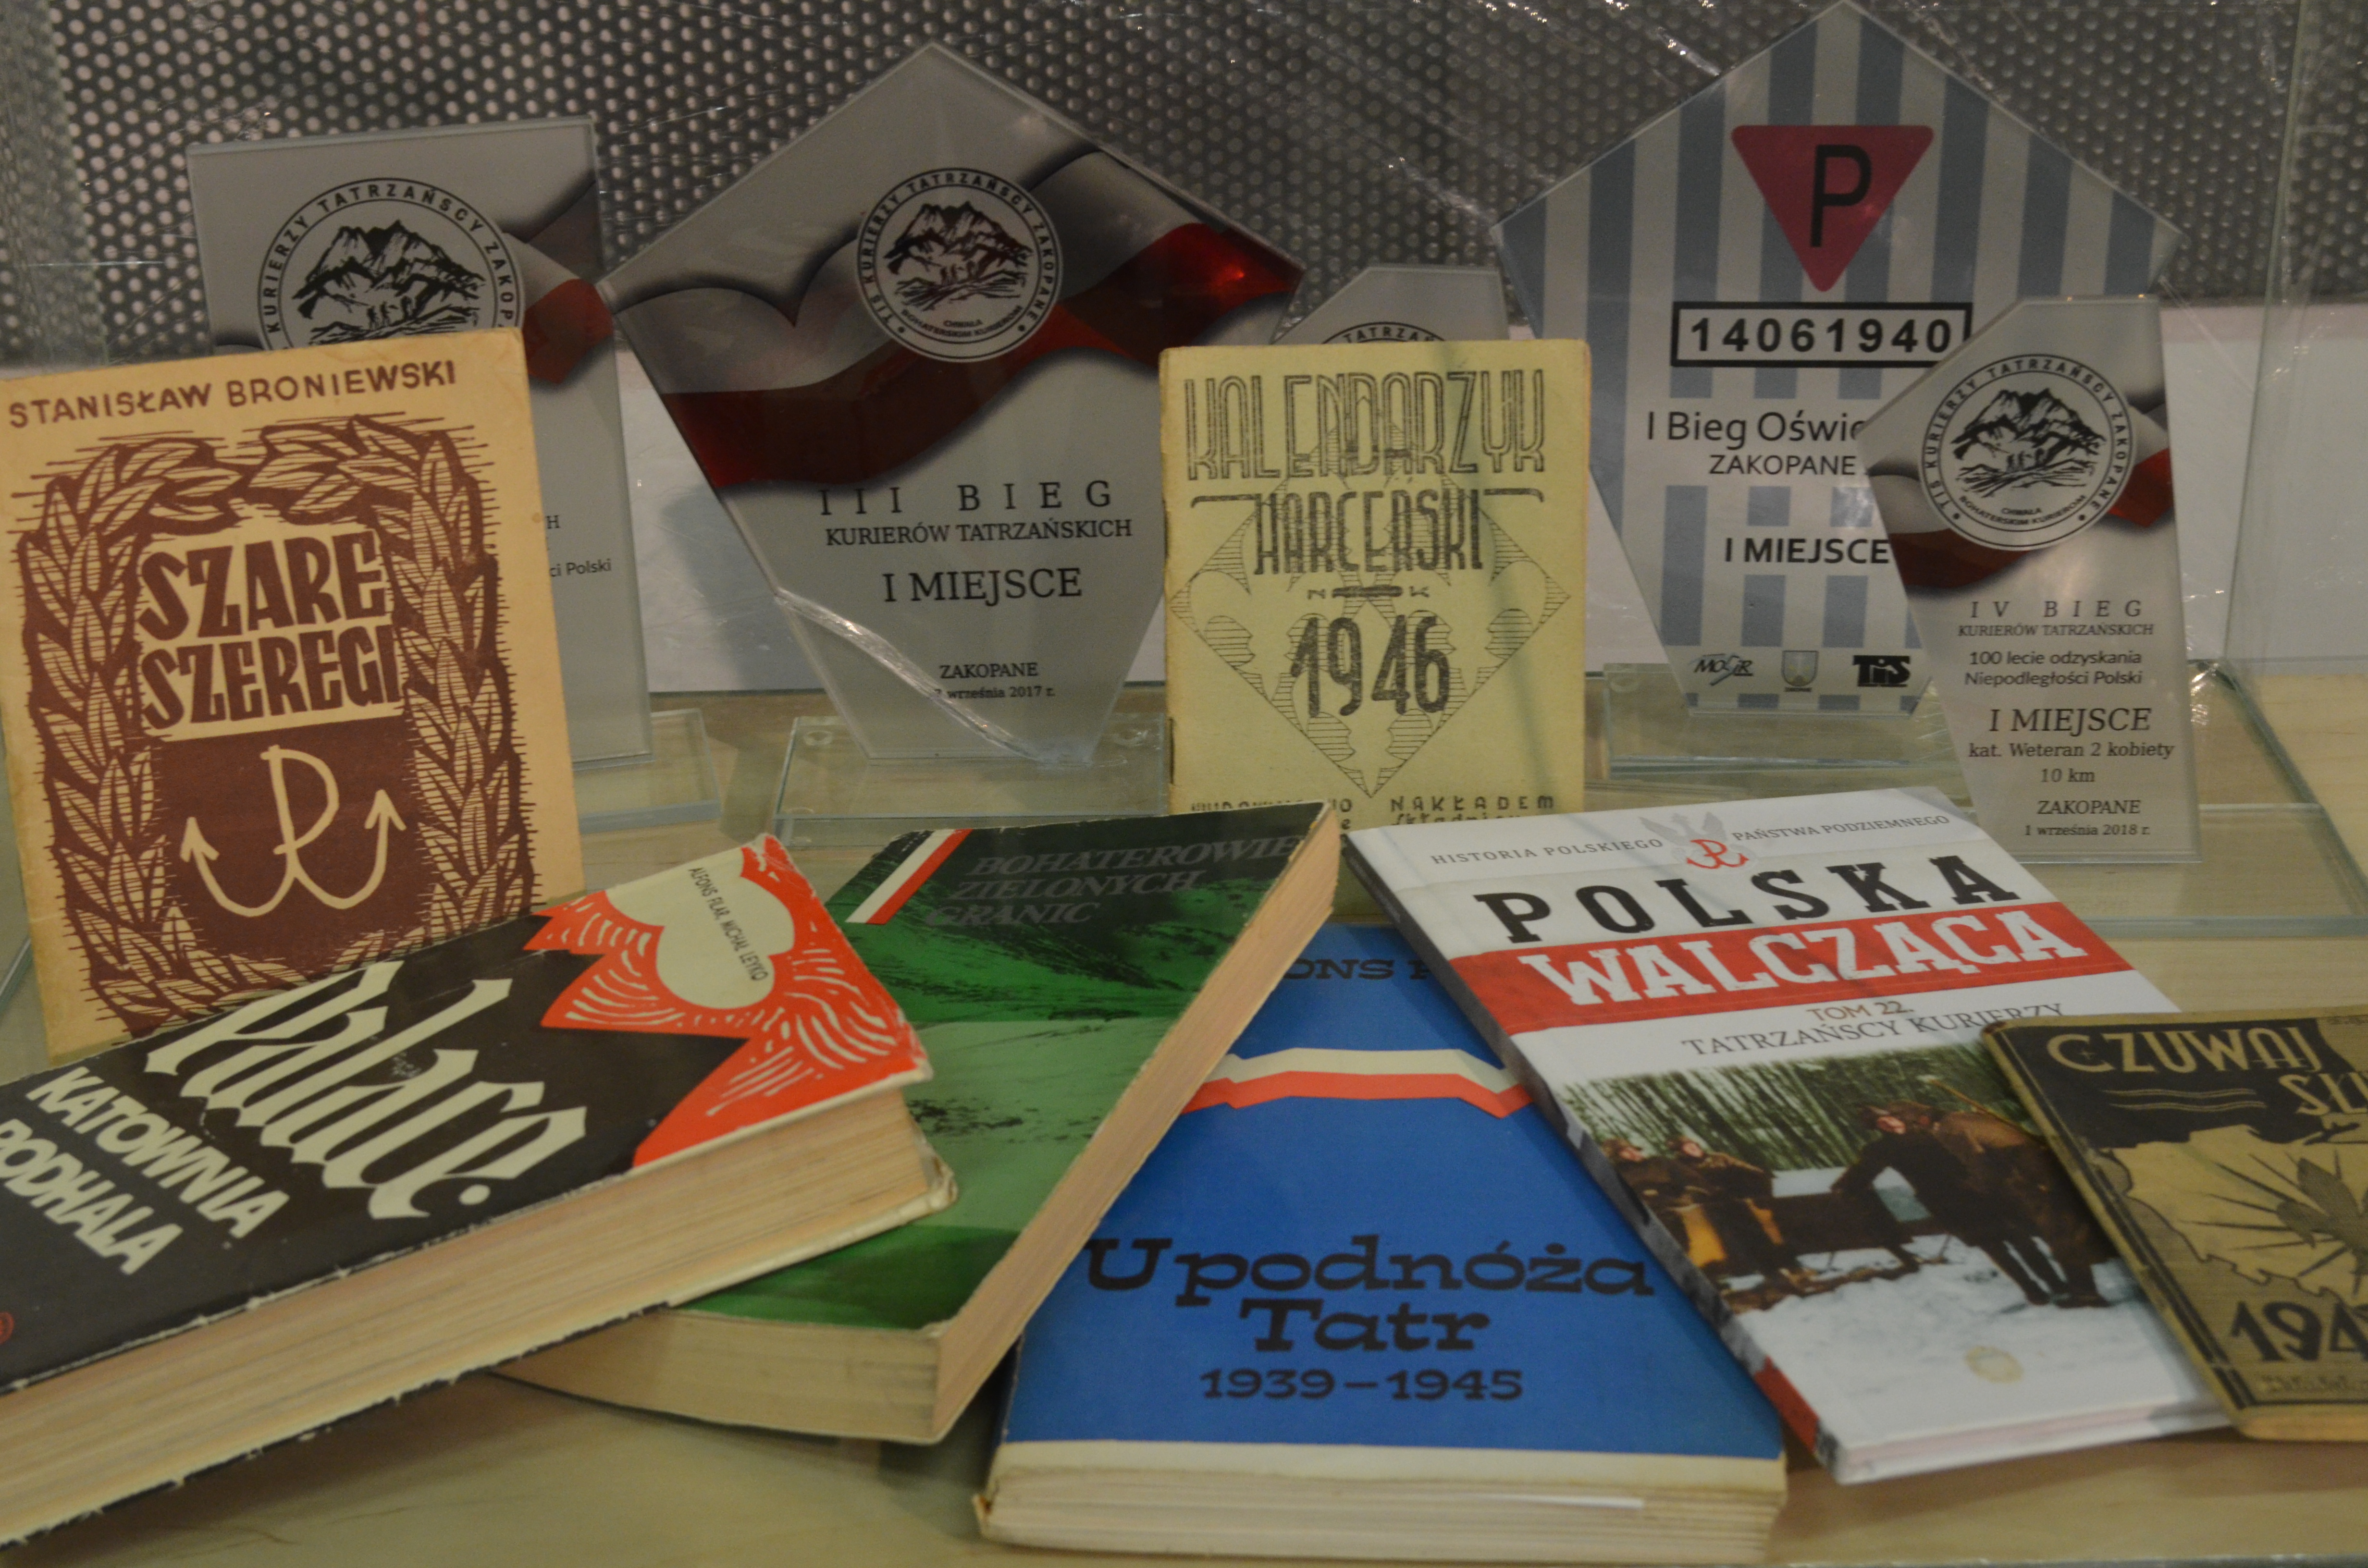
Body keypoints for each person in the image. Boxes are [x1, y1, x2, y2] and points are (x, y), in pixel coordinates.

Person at [1831, 1102, 2075, 1307]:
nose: (1887, 1124)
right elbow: (1860, 1174)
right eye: (1879, 1124)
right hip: (1947, 1203)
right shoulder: (1882, 1149)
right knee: (1994, 1248)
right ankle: (2032, 1290)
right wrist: (1846, 1187)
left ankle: (2056, 1284)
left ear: (1897, 1116)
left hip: (1982, 1192)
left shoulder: (1935, 1132)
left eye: (1887, 1119)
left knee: (2020, 1239)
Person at [1667, 1136, 1812, 1294]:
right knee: (1741, 1243)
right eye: (1687, 1147)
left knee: (1765, 1235)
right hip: (1714, 1210)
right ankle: (1772, 1274)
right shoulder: (1681, 1168)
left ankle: (1792, 1268)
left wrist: (1759, 1185)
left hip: (1740, 1203)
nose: (1693, 1148)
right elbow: (1685, 1190)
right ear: (1681, 1152)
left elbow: (1750, 1171)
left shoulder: (1719, 1158)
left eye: (1693, 1144)